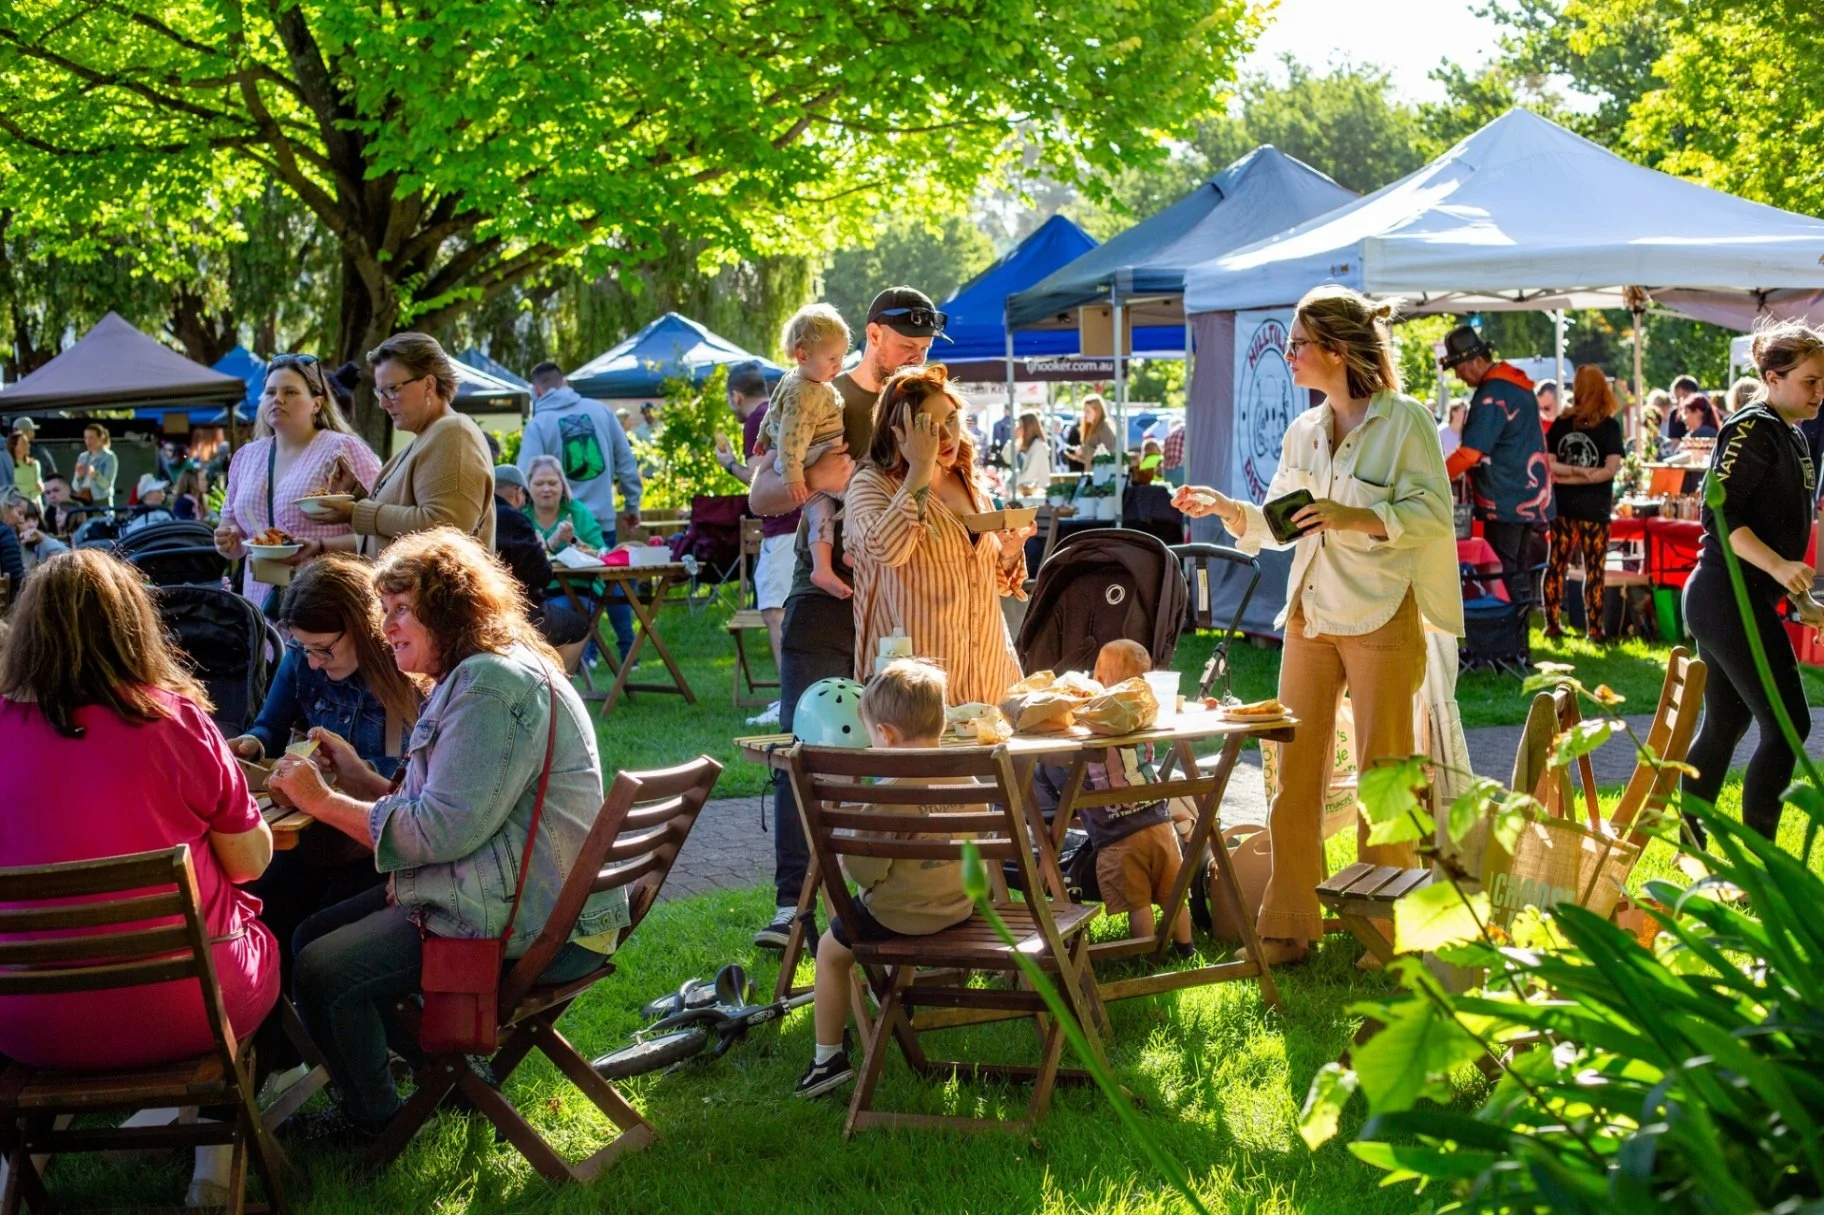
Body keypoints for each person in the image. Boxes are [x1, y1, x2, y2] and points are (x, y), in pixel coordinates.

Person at [273, 528, 625, 1144]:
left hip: (534, 921)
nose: (386, 628)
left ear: (450, 607)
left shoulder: (491, 686)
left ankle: (377, 1120)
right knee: (311, 933)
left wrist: (321, 801)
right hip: (524, 895)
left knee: (323, 969)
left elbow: (436, 831)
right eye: (384, 611)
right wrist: (360, 780)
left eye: (401, 610)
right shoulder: (489, 670)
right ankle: (452, 1076)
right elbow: (455, 812)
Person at [1173, 285, 1460, 966]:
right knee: (1292, 771)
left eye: (1299, 344)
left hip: (1385, 609)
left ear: (1337, 349)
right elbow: (1282, 520)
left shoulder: (1407, 422)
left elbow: (1431, 517)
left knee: (1382, 775)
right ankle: (1289, 923)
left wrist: (1346, 514)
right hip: (1309, 613)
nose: (1291, 355)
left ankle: (1383, 927)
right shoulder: (1304, 430)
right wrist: (1227, 509)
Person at [0, 550, 278, 1207]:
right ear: (135, 627)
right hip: (188, 1008)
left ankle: (21, 1160)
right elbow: (249, 862)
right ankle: (212, 1169)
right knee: (254, 925)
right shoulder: (177, 723)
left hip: (27, 1016)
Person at [746, 285, 943, 949]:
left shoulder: (928, 402)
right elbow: (761, 493)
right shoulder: (824, 393)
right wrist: (823, 480)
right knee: (808, 747)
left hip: (903, 604)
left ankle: (890, 894)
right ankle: (789, 905)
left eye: (925, 349)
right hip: (824, 598)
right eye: (906, 347)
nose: (915, 359)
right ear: (872, 334)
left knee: (904, 747)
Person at [226, 557, 426, 1020]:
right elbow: (270, 725)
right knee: (261, 897)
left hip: (379, 845)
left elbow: (414, 782)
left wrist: (343, 776)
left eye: (324, 650)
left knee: (320, 926)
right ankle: (282, 1042)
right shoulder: (304, 657)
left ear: (363, 628)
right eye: (304, 649)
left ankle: (341, 1032)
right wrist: (254, 745)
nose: (313, 662)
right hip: (315, 833)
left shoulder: (406, 668)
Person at [795, 660, 976, 1099]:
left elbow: (864, 873)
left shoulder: (887, 794)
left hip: (902, 918)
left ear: (887, 734)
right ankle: (897, 1005)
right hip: (958, 908)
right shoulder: (967, 778)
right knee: (910, 894)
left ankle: (827, 1059)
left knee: (831, 951)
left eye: (873, 734)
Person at [1681, 320, 1824, 844]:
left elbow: (1778, 535)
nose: (1820, 392)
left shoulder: (1792, 434)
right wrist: (1783, 570)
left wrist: (1801, 598)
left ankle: (1691, 845)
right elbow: (1720, 517)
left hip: (1740, 597)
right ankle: (1760, 867)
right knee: (1788, 727)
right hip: (1725, 596)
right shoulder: (1750, 426)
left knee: (1725, 726)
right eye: (1810, 381)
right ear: (1772, 376)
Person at [847, 363, 1028, 706]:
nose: (945, 436)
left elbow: (994, 582)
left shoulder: (970, 481)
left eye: (950, 420)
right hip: (915, 693)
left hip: (990, 676)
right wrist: (920, 468)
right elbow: (887, 551)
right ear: (899, 431)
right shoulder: (870, 485)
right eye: (928, 427)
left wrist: (1008, 552)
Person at [1032, 640, 1193, 952]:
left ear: (1100, 680)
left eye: (1098, 672)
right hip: (1160, 825)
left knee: (1138, 903)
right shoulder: (1145, 715)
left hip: (1119, 835)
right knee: (1174, 894)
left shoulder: (1091, 720)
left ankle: (1142, 951)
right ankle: (1185, 945)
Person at [300, 334, 495, 560]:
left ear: (429, 384)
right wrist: (354, 495)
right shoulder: (428, 436)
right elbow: (403, 518)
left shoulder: (453, 433)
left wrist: (355, 512)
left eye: (392, 389)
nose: (383, 403)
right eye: (380, 392)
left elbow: (446, 528)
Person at [215, 355, 382, 605]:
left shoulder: (342, 450)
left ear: (317, 403)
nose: (278, 399)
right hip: (261, 599)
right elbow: (232, 532)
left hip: (325, 597)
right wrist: (227, 541)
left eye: (290, 392)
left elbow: (379, 533)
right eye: (270, 392)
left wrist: (320, 545)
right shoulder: (246, 457)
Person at [517, 362, 640, 659]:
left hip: (558, 520)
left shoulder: (540, 423)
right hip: (601, 516)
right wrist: (631, 503)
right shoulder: (601, 411)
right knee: (612, 583)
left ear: (537, 390)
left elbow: (525, 474)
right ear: (566, 382)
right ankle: (628, 653)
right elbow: (626, 461)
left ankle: (585, 655)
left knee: (566, 588)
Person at [1441, 325, 1553, 604]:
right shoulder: (1516, 385)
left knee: (1503, 570)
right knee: (1517, 568)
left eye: (1459, 367)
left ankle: (1507, 639)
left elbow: (1471, 453)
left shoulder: (1492, 394)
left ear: (1478, 361)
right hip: (1528, 496)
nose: (1457, 374)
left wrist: (1434, 477)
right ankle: (1518, 639)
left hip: (1504, 499)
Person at [763, 304, 856, 600]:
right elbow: (791, 436)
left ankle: (822, 568)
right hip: (810, 459)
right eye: (832, 359)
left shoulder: (793, 380)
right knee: (860, 495)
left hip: (804, 466)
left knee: (821, 514)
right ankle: (854, 548)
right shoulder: (806, 392)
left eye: (841, 358)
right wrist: (793, 477)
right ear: (803, 355)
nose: (838, 366)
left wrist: (763, 436)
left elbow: (772, 411)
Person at [717, 361, 794, 705]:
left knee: (775, 613)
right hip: (804, 522)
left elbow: (756, 478)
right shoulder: (779, 411)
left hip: (782, 527)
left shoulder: (756, 421)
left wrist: (729, 464)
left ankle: (788, 700)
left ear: (736, 395)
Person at [1543, 366, 1625, 642]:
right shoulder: (1610, 427)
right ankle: (1595, 629)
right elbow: (1607, 470)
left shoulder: (1561, 423)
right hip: (1595, 507)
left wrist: (1568, 475)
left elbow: (1555, 467)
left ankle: (1553, 624)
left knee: (1557, 564)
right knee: (1593, 567)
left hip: (1565, 505)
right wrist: (1585, 474)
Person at [491, 463, 592, 670]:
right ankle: (552, 691)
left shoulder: (478, 515)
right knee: (579, 626)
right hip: (518, 611)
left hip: (482, 608)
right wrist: (539, 547)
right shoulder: (514, 518)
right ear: (519, 492)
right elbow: (541, 575)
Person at [1, 493, 67, 574]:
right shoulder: (9, 543)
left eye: (35, 518)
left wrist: (43, 538)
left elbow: (67, 556)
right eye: (26, 519)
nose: (32, 524)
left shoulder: (43, 542)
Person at [1064, 393, 1118, 468]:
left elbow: (1108, 456)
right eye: (1084, 411)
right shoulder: (1092, 427)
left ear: (1097, 411)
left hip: (1103, 475)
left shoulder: (1104, 428)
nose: (1085, 415)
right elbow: (1092, 460)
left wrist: (1083, 451)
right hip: (1095, 473)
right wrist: (1078, 457)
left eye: (1088, 411)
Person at [71, 422, 118, 507]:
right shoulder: (82, 457)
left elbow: (107, 485)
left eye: (91, 438)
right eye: (86, 438)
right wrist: (79, 477)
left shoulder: (109, 457)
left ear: (101, 438)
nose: (88, 441)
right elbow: (75, 487)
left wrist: (95, 475)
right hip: (83, 498)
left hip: (100, 499)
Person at [1012, 411, 1054, 501]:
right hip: (1033, 495)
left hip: (1038, 496)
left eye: (1020, 426)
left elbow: (1029, 475)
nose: (1017, 429)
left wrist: (1014, 485)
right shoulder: (1032, 446)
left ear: (1028, 428)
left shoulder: (1038, 447)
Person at [8, 430, 41, 507]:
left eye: (27, 442)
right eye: (23, 443)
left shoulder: (34, 464)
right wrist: (31, 487)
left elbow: (39, 487)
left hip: (33, 504)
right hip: (13, 505)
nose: (28, 445)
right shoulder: (7, 465)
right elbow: (10, 489)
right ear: (14, 446)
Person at [1666, 373, 1701, 440]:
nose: (1676, 402)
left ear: (1682, 392)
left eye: (1676, 397)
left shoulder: (1676, 414)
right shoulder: (1706, 411)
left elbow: (1674, 445)